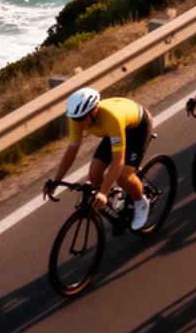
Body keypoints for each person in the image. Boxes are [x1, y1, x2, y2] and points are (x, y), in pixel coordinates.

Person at [50, 88, 154, 228]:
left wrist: (103, 193)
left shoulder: (112, 119)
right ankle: (117, 196)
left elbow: (118, 161)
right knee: (93, 174)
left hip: (137, 129)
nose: (78, 123)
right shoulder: (77, 118)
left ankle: (141, 201)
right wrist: (56, 181)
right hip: (113, 132)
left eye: (81, 119)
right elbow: (72, 151)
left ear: (94, 111)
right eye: (74, 119)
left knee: (123, 175)